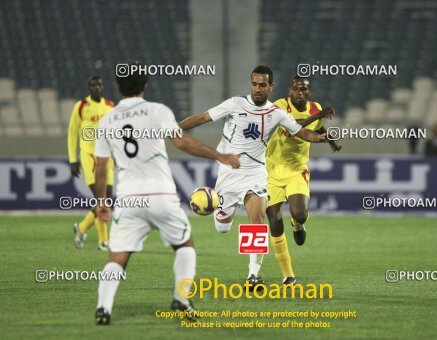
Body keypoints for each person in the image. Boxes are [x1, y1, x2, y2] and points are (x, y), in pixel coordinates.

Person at [93, 60, 240, 325]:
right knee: (185, 245)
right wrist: (220, 156)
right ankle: (181, 299)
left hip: (128, 198)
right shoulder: (157, 110)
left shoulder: (107, 120)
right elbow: (181, 141)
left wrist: (101, 202)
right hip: (161, 195)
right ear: (146, 84)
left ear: (117, 85)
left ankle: (103, 308)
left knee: (117, 257)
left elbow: (100, 166)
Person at [179, 65, 328, 289]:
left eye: (262, 85)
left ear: (271, 87)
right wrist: (174, 129)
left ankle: (253, 275)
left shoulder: (276, 113)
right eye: (254, 84)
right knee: (222, 226)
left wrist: (318, 138)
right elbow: (203, 117)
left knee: (257, 222)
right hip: (229, 172)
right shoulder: (235, 103)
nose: (257, 89)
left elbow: (300, 131)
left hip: (256, 172)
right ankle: (220, 213)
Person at [265, 76, 341, 284]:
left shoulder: (315, 108)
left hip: (297, 170)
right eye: (296, 88)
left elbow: (317, 128)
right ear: (290, 89)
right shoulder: (280, 105)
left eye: (304, 89)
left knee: (299, 214)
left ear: (309, 92)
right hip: (272, 170)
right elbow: (292, 127)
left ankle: (297, 224)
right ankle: (288, 274)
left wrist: (331, 141)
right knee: (274, 220)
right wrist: (316, 115)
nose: (299, 92)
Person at [68, 76, 114, 251]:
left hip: (107, 157)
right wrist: (73, 159)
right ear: (89, 87)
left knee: (106, 200)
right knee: (100, 199)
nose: (96, 87)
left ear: (102, 87)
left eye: (99, 84)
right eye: (93, 85)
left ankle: (81, 228)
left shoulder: (110, 106)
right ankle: (103, 241)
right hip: (89, 156)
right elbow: (72, 133)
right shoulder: (81, 107)